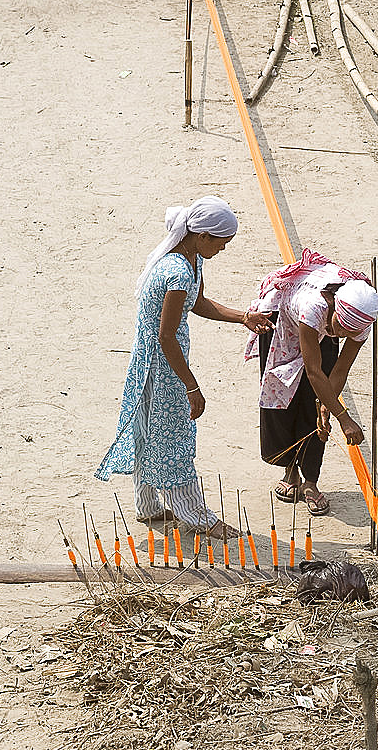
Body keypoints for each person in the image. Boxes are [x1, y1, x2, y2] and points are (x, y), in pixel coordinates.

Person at [96, 196, 273, 536]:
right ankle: (196, 515)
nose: (222, 249)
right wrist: (192, 386)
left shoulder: (192, 260)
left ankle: (147, 507)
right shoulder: (176, 271)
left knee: (148, 430)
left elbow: (199, 302)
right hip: (161, 366)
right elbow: (166, 337)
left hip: (163, 360)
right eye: (221, 243)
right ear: (202, 235)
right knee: (171, 437)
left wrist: (244, 318)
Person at [245, 248, 378, 516]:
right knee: (285, 396)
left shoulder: (360, 323)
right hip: (283, 321)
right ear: (334, 309)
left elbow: (339, 370)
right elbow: (314, 371)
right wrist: (345, 418)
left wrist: (327, 407)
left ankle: (311, 482)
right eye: (340, 328)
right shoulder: (313, 308)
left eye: (347, 333)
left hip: (320, 326)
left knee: (314, 409)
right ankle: (290, 470)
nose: (340, 335)